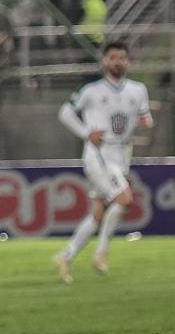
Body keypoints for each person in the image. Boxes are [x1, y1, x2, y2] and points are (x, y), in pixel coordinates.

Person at [56, 41, 152, 282]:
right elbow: (65, 112)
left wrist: (146, 122)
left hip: (122, 154)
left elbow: (146, 117)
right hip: (99, 153)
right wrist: (85, 133)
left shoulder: (138, 89)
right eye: (113, 57)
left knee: (98, 215)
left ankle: (65, 256)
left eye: (122, 58)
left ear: (128, 62)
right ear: (104, 62)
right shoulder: (91, 90)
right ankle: (101, 252)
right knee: (124, 199)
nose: (118, 62)